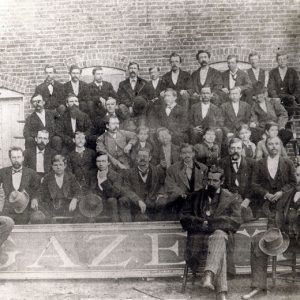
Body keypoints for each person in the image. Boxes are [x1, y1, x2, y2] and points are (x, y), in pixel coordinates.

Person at [242, 136, 296, 299]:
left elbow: (294, 183)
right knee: (259, 243)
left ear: (280, 146)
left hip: (285, 209)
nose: (273, 146)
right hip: (266, 209)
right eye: (270, 144)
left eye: (276, 144)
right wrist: (266, 194)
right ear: (266, 146)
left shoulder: (288, 163)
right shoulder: (259, 163)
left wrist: (281, 193)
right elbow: (254, 184)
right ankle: (258, 286)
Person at [181, 165, 242, 300]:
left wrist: (213, 223)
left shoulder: (231, 198)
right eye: (209, 180)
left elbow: (236, 221)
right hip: (198, 239)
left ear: (222, 181)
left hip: (220, 238)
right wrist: (200, 222)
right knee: (220, 249)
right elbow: (184, 218)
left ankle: (209, 275)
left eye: (215, 181)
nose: (211, 184)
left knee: (219, 236)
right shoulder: (195, 196)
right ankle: (221, 292)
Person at [119, 149, 167, 222]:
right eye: (139, 156)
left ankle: (157, 225)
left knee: (162, 201)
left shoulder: (158, 171)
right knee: (123, 200)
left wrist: (160, 193)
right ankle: (127, 227)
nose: (142, 158)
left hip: (152, 201)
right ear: (136, 158)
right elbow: (126, 189)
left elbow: (163, 184)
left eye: (145, 156)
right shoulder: (129, 172)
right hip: (135, 202)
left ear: (150, 158)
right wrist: (138, 200)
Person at [164, 143, 208, 220]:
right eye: (184, 153)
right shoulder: (172, 169)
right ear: (180, 155)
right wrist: (181, 193)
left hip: (198, 201)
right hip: (181, 200)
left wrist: (197, 194)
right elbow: (170, 185)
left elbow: (205, 184)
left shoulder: (203, 168)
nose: (187, 155)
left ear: (193, 154)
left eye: (189, 152)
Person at [0, 147, 42, 224]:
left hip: (25, 209)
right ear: (10, 158)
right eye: (14, 157)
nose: (16, 160)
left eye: (18, 157)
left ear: (23, 158)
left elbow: (37, 189)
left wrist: (35, 199)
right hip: (8, 210)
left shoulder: (31, 173)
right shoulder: (2, 172)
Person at [88, 152, 131, 222]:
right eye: (98, 161)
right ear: (95, 163)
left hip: (110, 205)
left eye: (103, 161)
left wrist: (104, 180)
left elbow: (115, 193)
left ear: (108, 163)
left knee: (113, 201)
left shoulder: (116, 176)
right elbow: (89, 190)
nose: (101, 164)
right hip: (95, 204)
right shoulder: (91, 174)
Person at [219, 138, 256, 218]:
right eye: (233, 148)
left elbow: (254, 184)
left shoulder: (252, 163)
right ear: (229, 149)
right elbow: (220, 184)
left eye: (238, 148)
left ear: (242, 149)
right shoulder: (222, 163)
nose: (235, 151)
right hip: (228, 200)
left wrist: (248, 199)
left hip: (247, 200)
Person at [39, 154, 81, 223]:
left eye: (61, 165)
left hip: (68, 208)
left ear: (65, 166)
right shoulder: (47, 178)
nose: (58, 167)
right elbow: (42, 194)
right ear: (52, 166)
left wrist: (75, 199)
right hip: (52, 209)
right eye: (55, 165)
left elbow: (78, 190)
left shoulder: (71, 177)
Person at [268, 52, 300, 117]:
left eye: (284, 59)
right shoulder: (273, 72)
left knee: (295, 109)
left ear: (287, 60)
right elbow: (271, 87)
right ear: (277, 61)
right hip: (278, 97)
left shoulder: (293, 72)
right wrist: (276, 97)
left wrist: (294, 96)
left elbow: (298, 87)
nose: (282, 61)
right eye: (280, 59)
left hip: (290, 97)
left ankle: (293, 121)